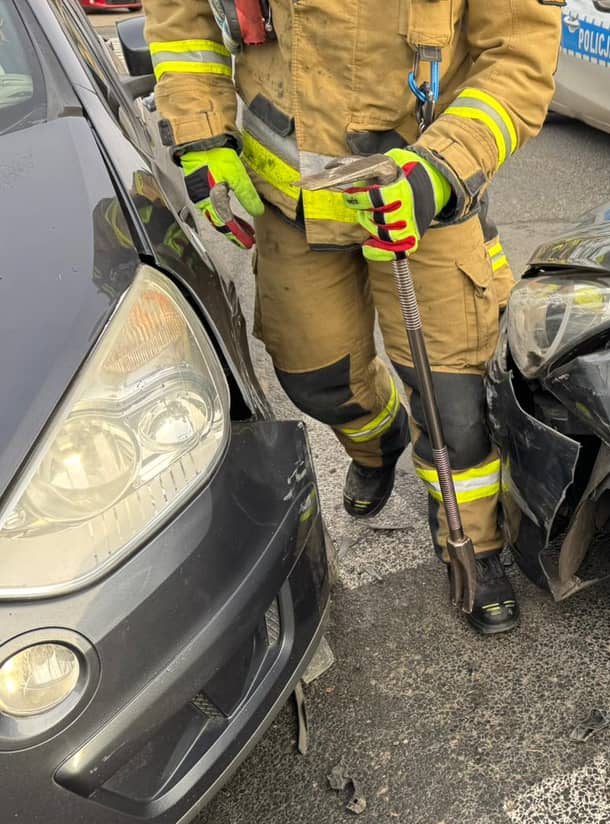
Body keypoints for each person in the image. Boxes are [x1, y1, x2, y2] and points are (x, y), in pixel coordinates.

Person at [144, 0, 561, 633]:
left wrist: (439, 171)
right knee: (316, 379)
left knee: (456, 404)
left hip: (425, 201)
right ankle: (378, 439)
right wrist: (203, 132)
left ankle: (472, 544)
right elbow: (183, 20)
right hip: (291, 200)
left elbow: (518, 60)